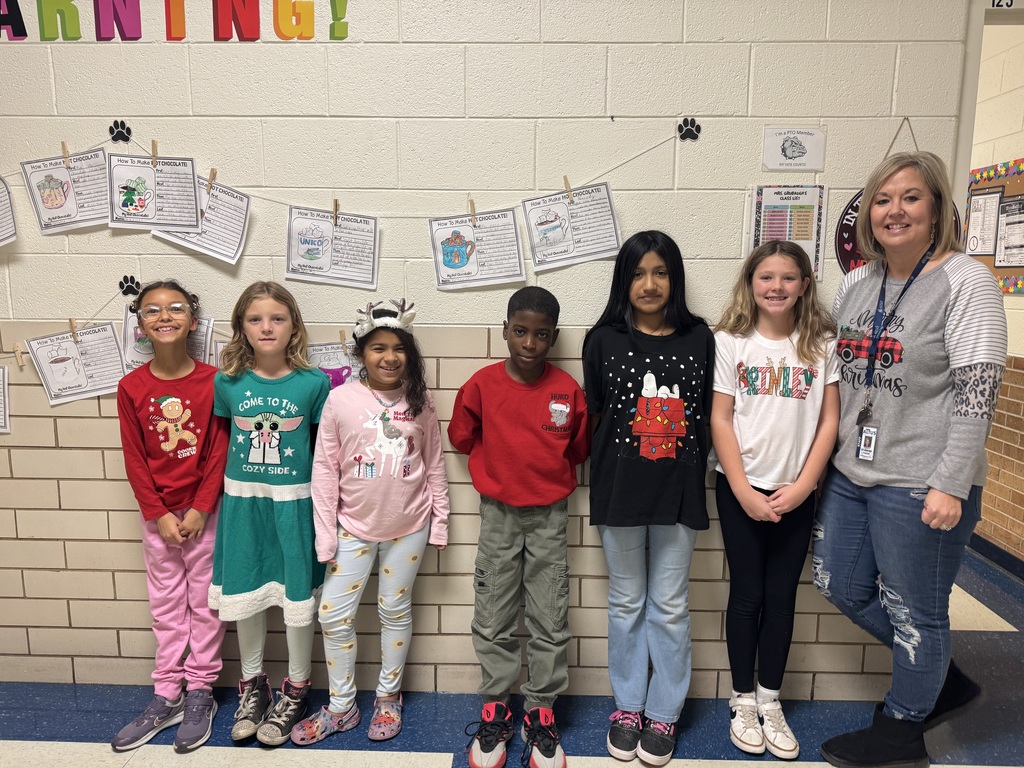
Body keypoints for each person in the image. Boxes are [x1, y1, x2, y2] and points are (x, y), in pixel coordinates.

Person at [813, 151, 1007, 768]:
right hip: (853, 471)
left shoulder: (966, 283)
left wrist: (950, 484)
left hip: (922, 480)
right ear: (867, 214)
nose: (894, 210)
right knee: (837, 583)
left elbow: (978, 393)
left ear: (937, 208)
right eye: (882, 199)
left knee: (914, 610)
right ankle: (940, 678)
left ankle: (902, 727)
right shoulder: (857, 282)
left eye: (910, 197)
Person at [291, 299, 450, 746]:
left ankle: (388, 697)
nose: (389, 357)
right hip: (352, 529)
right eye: (378, 347)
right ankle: (341, 706)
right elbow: (324, 471)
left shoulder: (421, 400)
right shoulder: (340, 400)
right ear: (361, 353)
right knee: (334, 614)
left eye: (399, 348)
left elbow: (434, 463)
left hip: (409, 528)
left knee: (393, 610)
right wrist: (326, 537)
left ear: (409, 355)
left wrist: (440, 522)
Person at [582, 230, 715, 767]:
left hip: (679, 492)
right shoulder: (602, 340)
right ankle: (629, 705)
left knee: (670, 606)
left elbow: (710, 412)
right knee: (626, 603)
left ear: (675, 279)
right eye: (638, 273)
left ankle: (664, 709)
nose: (650, 283)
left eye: (660, 272)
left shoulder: (700, 337)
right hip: (618, 491)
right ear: (624, 280)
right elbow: (595, 415)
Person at [449, 286, 590, 768]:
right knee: (493, 614)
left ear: (553, 337)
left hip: (550, 516)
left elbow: (578, 448)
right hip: (498, 515)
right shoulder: (482, 385)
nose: (530, 343)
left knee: (550, 615)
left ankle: (541, 712)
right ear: (506, 329)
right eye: (521, 332)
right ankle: (496, 708)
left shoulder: (566, 390)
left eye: (541, 335)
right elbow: (462, 436)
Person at [710, 241, 839, 760]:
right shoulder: (730, 342)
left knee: (782, 596)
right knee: (747, 595)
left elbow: (829, 419)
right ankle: (742, 699)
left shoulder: (822, 343)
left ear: (804, 285)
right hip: (740, 487)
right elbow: (720, 417)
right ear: (751, 283)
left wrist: (806, 484)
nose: (777, 287)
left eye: (789, 277)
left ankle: (770, 700)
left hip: (797, 490)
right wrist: (742, 488)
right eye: (767, 277)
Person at [208, 281, 331, 747]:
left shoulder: (314, 383)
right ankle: (252, 685)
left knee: (297, 600)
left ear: (293, 326)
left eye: (277, 318)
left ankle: (297, 687)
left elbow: (324, 455)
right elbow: (220, 445)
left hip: (294, 507)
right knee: (248, 594)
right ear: (241, 326)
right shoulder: (227, 382)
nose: (266, 327)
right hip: (243, 505)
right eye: (255, 318)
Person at [111, 280, 229, 754]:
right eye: (153, 310)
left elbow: (220, 449)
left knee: (205, 604)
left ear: (193, 321)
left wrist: (201, 507)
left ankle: (200, 691)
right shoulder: (131, 387)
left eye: (176, 308)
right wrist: (157, 512)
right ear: (140, 325)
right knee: (166, 608)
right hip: (157, 518)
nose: (165, 316)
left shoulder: (215, 381)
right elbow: (134, 458)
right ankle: (166, 695)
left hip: (206, 514)